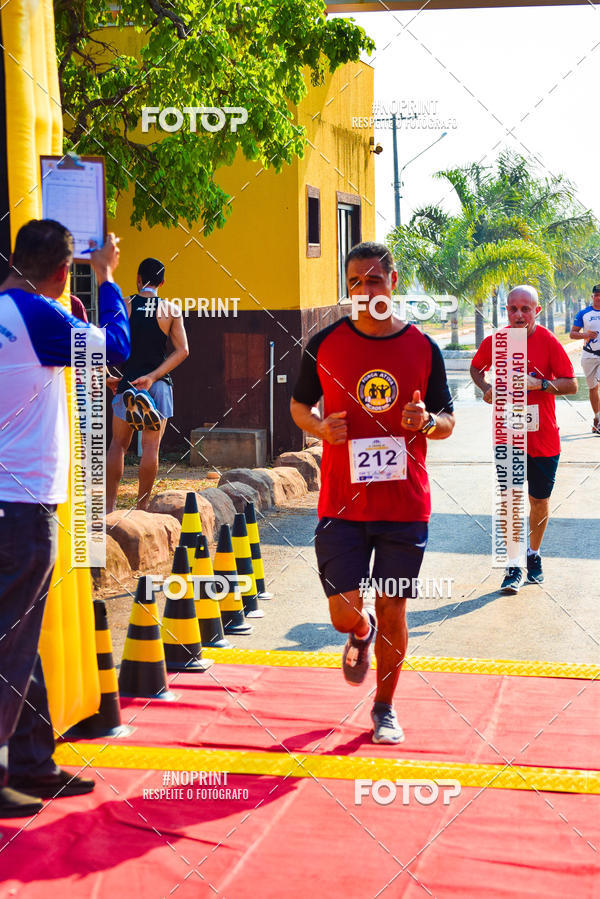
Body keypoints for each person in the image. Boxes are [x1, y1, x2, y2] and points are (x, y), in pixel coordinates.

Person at [290, 241, 455, 744]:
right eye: (355, 282)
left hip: (405, 504)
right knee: (345, 611)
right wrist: (321, 430)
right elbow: (299, 407)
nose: (365, 290)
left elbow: (449, 421)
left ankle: (384, 707)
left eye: (374, 280)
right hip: (342, 502)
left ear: (394, 282)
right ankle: (358, 634)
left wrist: (426, 422)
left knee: (394, 608)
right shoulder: (324, 343)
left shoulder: (424, 347)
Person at [0, 220, 129, 817]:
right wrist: (106, 277)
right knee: (12, 648)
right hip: (25, 509)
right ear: (60, 274)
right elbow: (118, 350)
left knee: (16, 641)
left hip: (11, 502)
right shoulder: (41, 317)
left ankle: (32, 761)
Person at [470, 285, 577, 593]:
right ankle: (513, 564)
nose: (518, 315)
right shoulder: (496, 341)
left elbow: (570, 384)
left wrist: (539, 383)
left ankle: (534, 554)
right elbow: (476, 368)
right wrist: (486, 388)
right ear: (507, 310)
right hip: (508, 434)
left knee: (539, 500)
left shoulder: (549, 342)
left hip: (544, 438)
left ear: (536, 311)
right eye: (512, 309)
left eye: (525, 309)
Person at [106, 258, 188, 512]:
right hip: (159, 385)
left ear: (138, 280)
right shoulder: (170, 310)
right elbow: (183, 351)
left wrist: (107, 376)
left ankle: (109, 508)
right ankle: (141, 509)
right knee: (151, 446)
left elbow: (102, 343)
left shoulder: (125, 305)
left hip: (128, 382)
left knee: (118, 444)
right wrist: (153, 376)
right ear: (162, 282)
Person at [570, 284, 600, 434]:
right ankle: (597, 418)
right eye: (597, 295)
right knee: (593, 388)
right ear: (592, 297)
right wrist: (586, 335)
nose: (599, 298)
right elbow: (572, 334)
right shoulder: (584, 313)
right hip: (588, 355)